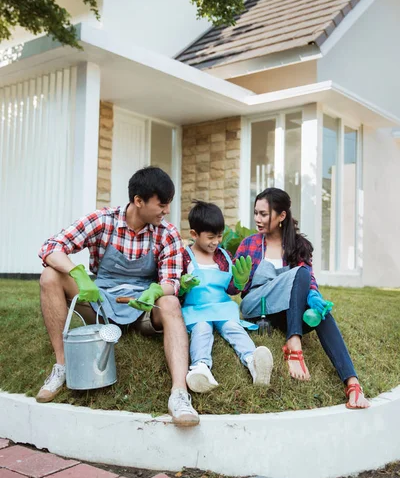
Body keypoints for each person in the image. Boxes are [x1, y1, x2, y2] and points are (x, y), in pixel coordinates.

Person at [37, 166, 199, 426]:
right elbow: (51, 247)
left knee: (169, 302)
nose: (167, 210)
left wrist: (156, 290)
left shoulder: (166, 233)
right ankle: (63, 366)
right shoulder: (103, 221)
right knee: (49, 276)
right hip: (100, 304)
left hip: (142, 307)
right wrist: (77, 274)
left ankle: (179, 394)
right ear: (138, 201)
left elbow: (171, 281)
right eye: (162, 204)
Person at [232, 187, 369, 410]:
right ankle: (293, 342)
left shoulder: (298, 245)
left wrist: (315, 299)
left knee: (322, 314)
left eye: (263, 214)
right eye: (256, 213)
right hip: (258, 306)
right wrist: (238, 282)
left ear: (282, 216)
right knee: (300, 273)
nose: (257, 219)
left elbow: (309, 281)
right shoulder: (250, 244)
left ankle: (352, 384)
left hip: (286, 312)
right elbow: (232, 288)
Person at [181, 200, 273, 393]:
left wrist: (239, 283)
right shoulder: (185, 256)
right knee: (202, 330)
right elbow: (175, 290)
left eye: (220, 236)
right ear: (194, 234)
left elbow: (231, 290)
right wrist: (182, 287)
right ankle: (200, 368)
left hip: (222, 308)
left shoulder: (223, 256)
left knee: (234, 328)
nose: (216, 242)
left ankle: (253, 362)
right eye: (210, 237)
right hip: (196, 310)